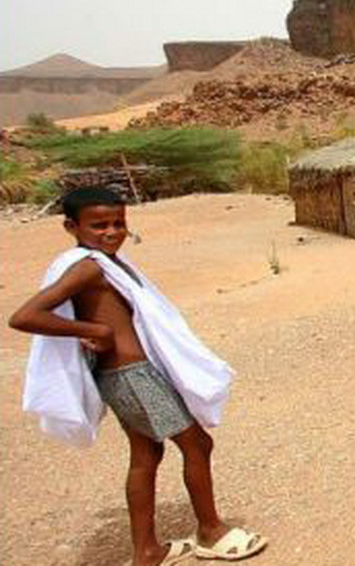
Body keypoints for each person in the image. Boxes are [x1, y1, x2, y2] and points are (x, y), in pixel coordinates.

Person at [8, 187, 267, 565]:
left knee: (147, 453)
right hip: (132, 376)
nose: (111, 232)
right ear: (71, 226)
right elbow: (24, 316)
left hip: (125, 375)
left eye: (119, 223)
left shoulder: (105, 262)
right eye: (99, 225)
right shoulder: (88, 266)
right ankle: (211, 530)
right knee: (197, 445)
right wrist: (94, 331)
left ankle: (147, 551)